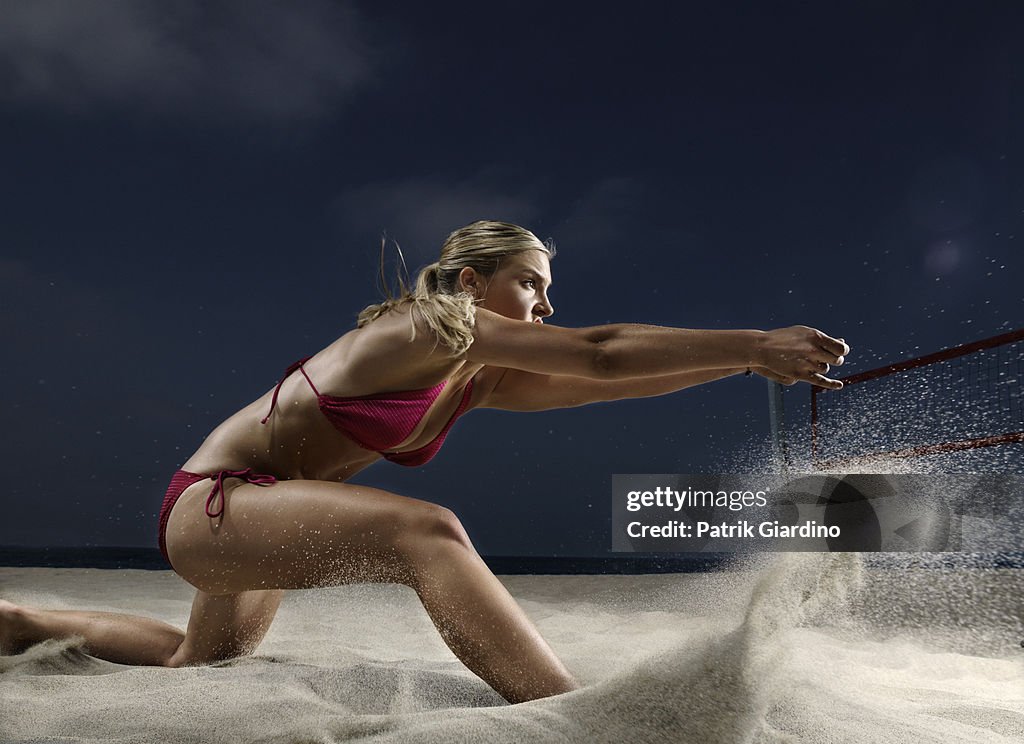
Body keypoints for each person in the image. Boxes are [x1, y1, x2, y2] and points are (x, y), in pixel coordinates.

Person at [0, 220, 849, 704]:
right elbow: (595, 351)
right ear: (472, 283)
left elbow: (601, 384)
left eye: (548, 290)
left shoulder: (469, 378)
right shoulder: (421, 328)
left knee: (203, 661)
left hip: (265, 517)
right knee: (427, 531)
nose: (545, 305)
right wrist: (753, 337)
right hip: (215, 507)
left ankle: (20, 622)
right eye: (529, 284)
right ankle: (563, 706)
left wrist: (743, 364)